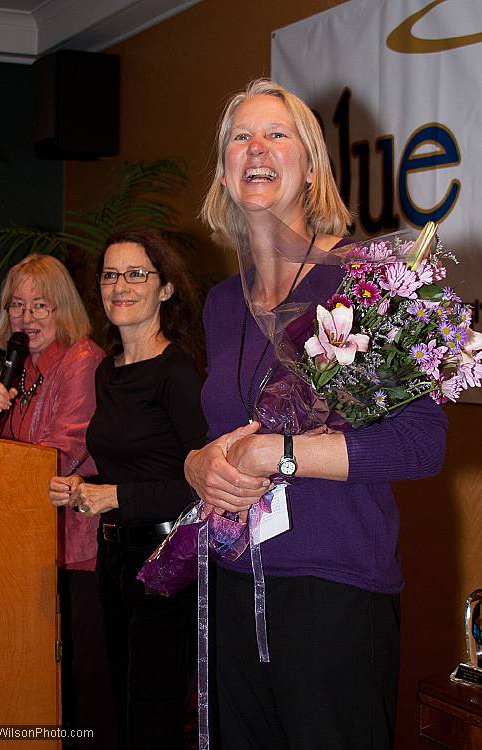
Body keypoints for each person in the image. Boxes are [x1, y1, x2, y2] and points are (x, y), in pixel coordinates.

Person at [184, 79, 448, 750]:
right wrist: (198, 466)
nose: (256, 147)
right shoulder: (219, 303)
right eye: (240, 137)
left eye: (277, 134)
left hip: (335, 591)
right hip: (235, 586)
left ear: (311, 168)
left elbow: (421, 447)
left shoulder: (368, 283)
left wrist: (281, 453)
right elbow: (220, 434)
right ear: (223, 170)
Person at [49, 230, 208, 750]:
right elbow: (129, 466)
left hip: (166, 561)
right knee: (118, 708)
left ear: (165, 289)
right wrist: (85, 485)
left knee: (151, 721)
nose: (121, 286)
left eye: (137, 273)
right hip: (113, 556)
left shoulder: (178, 372)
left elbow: (204, 485)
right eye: (111, 274)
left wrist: (114, 496)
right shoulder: (107, 372)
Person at [0, 254, 112, 749]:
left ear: (62, 309)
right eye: (17, 305)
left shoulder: (81, 363)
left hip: (73, 547)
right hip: (27, 546)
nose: (27, 317)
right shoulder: (22, 368)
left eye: (40, 305)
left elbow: (62, 453)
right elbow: (1, 459)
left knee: (81, 685)